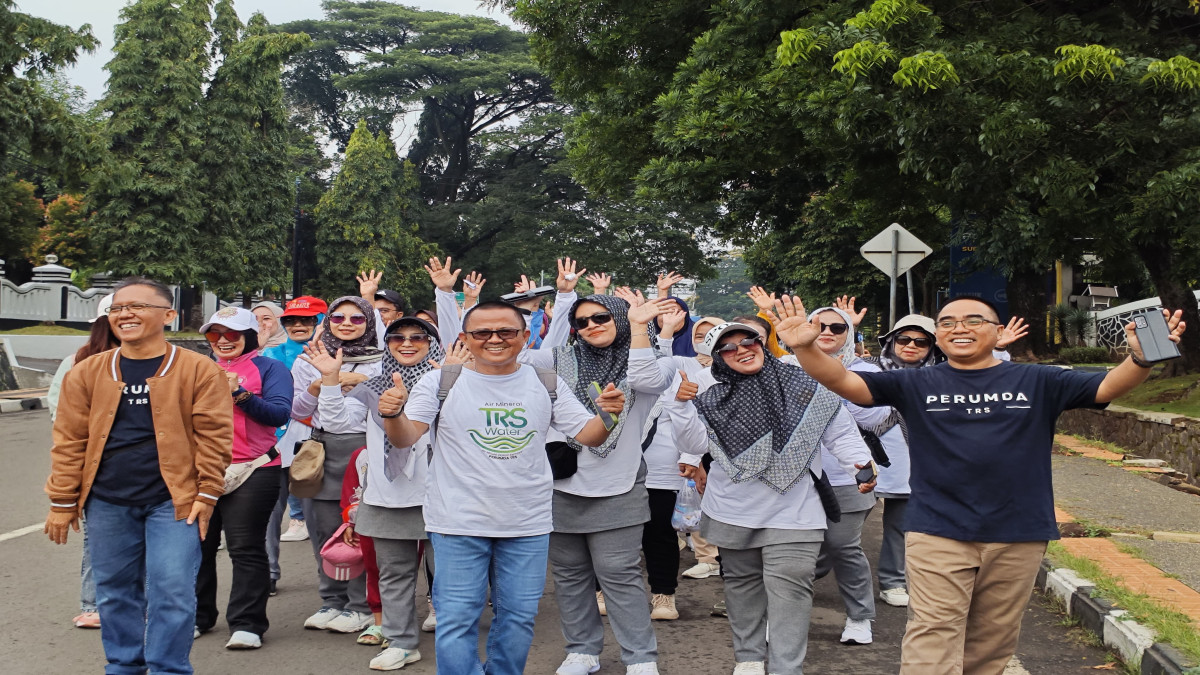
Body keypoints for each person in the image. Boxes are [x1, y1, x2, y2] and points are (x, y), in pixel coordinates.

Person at [782, 294, 1186, 675]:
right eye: (948, 322)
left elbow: (1107, 387)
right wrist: (806, 348)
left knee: (992, 639)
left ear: (996, 331)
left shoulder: (1038, 380)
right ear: (939, 335)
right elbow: (843, 383)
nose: (961, 327)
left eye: (974, 320)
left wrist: (1140, 357)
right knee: (933, 629)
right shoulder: (915, 383)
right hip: (937, 528)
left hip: (1018, 529)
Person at [379, 300, 626, 675]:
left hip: (526, 523)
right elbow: (405, 438)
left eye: (506, 331)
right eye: (482, 333)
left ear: (524, 337)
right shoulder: (442, 381)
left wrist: (609, 414)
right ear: (465, 338)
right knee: (457, 620)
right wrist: (392, 414)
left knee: (518, 619)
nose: (494, 339)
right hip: (457, 522)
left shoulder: (546, 381)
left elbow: (589, 435)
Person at [44, 276, 233, 675]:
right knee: (114, 594)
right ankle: (124, 666)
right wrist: (62, 501)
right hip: (107, 499)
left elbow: (215, 438)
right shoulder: (88, 372)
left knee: (173, 591)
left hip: (174, 500)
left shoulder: (199, 370)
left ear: (169, 315)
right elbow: (68, 440)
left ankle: (167, 668)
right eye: (117, 308)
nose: (124, 314)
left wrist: (208, 493)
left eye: (136, 306)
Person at [678, 321, 873, 675]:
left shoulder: (804, 383)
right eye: (728, 347)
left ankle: (787, 667)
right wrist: (681, 405)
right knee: (742, 586)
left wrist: (860, 464)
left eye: (749, 341)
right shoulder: (707, 391)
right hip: (733, 508)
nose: (742, 350)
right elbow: (692, 446)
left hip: (796, 509)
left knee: (792, 588)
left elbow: (839, 430)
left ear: (763, 343)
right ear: (718, 358)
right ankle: (749, 657)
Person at [519, 259, 678, 675]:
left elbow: (645, 380)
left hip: (619, 486)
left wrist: (641, 326)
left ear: (621, 318)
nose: (591, 325)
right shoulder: (557, 361)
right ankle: (582, 652)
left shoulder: (656, 361)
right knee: (570, 576)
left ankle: (641, 658)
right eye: (582, 321)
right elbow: (503, 349)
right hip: (560, 485)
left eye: (602, 317)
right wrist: (561, 296)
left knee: (619, 575)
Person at [345, 316, 455, 670]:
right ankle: (402, 641)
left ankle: (457, 641)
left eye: (418, 337)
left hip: (443, 497)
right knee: (394, 574)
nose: (407, 343)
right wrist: (332, 382)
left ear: (432, 343)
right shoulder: (372, 386)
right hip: (388, 497)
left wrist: (453, 381)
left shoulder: (451, 383)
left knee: (452, 575)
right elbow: (338, 423)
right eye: (397, 338)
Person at [194, 307, 294, 649]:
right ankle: (197, 616)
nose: (223, 341)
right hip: (203, 469)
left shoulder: (271, 368)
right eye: (214, 335)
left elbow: (280, 414)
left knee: (245, 546)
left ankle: (247, 623)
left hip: (254, 468)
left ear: (249, 336)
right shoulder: (197, 369)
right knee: (197, 547)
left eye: (232, 334)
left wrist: (241, 395)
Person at [293, 295, 384, 634]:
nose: (346, 324)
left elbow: (378, 407)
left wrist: (359, 382)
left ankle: (360, 605)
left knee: (357, 528)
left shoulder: (381, 359)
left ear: (369, 323)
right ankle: (331, 600)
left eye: (357, 318)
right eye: (338, 317)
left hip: (362, 448)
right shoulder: (309, 358)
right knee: (322, 528)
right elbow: (297, 410)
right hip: (319, 449)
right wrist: (319, 385)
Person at [807, 306, 882, 645]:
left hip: (847, 476)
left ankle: (859, 617)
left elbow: (880, 417)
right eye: (819, 325)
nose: (827, 331)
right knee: (795, 551)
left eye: (837, 327)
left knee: (841, 545)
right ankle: (777, 611)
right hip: (797, 479)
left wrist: (840, 386)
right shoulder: (789, 367)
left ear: (848, 333)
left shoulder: (865, 370)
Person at [47, 292, 117, 630]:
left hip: (128, 461)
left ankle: (103, 604)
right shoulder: (80, 361)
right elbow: (59, 413)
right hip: (97, 464)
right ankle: (94, 603)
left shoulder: (160, 361)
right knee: (99, 536)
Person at [865, 314, 944, 608]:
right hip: (864, 460)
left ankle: (893, 581)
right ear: (890, 342)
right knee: (840, 530)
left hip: (912, 464)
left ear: (932, 347)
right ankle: (808, 576)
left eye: (921, 341)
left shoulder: (942, 377)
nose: (911, 345)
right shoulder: (868, 370)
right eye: (904, 339)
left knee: (900, 527)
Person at [265, 295, 328, 552]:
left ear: (321, 321)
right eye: (290, 320)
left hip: (321, 445)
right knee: (268, 512)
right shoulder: (271, 354)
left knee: (321, 520)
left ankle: (330, 583)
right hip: (275, 443)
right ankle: (266, 575)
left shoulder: (336, 356)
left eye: (306, 319)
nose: (297, 325)